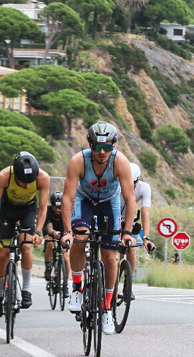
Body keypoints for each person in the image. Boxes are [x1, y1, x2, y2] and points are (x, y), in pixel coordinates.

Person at [60, 121, 137, 336]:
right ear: (90, 145)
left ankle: (106, 308)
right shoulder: (78, 161)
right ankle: (77, 288)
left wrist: (127, 232)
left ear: (114, 146)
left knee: (110, 258)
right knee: (80, 237)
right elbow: (67, 198)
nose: (102, 152)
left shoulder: (120, 162)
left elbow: (130, 199)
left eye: (107, 147)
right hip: (84, 200)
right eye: (97, 147)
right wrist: (67, 231)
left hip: (109, 203)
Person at [0, 152, 50, 317]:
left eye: (30, 182)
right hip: (8, 211)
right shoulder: (4, 176)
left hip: (28, 210)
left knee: (26, 246)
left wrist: (38, 231)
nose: (26, 186)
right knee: (3, 253)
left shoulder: (43, 177)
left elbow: (42, 209)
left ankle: (26, 290)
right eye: (22, 182)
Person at [121, 162, 156, 300]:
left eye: (132, 183)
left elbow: (145, 213)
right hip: (113, 218)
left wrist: (146, 237)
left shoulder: (144, 188)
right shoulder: (116, 185)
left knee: (131, 248)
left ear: (137, 181)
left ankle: (128, 284)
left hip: (130, 221)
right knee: (110, 251)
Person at [42, 191, 71, 298]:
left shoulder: (67, 211)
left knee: (66, 257)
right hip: (51, 231)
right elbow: (49, 227)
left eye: (60, 207)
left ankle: (65, 284)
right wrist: (53, 233)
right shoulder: (48, 211)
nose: (57, 210)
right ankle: (48, 267)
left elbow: (69, 227)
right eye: (55, 207)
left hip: (64, 232)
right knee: (49, 243)